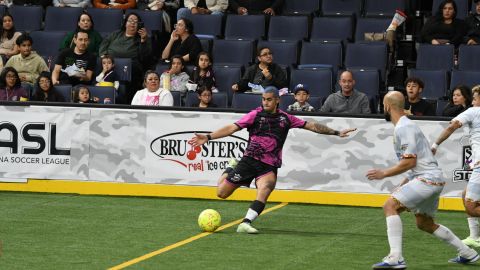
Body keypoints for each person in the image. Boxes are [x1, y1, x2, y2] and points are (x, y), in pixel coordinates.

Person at [189, 88, 356, 234]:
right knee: (222, 193)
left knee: (267, 187)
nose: (265, 102)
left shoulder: (286, 118)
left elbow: (311, 126)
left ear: (277, 100)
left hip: (269, 165)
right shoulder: (255, 115)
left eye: (269, 99)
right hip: (249, 160)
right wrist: (209, 136)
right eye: (263, 99)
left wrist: (336, 132)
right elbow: (232, 128)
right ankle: (230, 167)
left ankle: (245, 223)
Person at [366, 91, 479, 269]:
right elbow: (415, 164)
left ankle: (396, 257)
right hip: (431, 180)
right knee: (424, 223)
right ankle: (468, 253)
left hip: (427, 180)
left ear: (387, 107)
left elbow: (410, 161)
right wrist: (402, 185)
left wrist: (384, 173)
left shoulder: (404, 128)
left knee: (389, 206)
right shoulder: (406, 126)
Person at [431, 87, 480, 249]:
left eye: (474, 98)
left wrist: (435, 144)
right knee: (465, 195)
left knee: (471, 207)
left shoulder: (473, 111)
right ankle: (475, 237)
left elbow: (452, 126)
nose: (472, 102)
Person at [99, 13, 152, 103]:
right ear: (125, 23)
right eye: (130, 20)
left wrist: (143, 40)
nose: (133, 23)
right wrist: (104, 56)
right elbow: (104, 44)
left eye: (136, 22)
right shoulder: (116, 34)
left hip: (130, 69)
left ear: (139, 25)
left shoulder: (141, 38)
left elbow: (144, 57)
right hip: (109, 65)